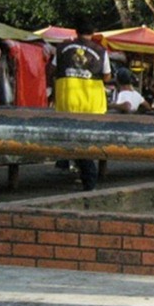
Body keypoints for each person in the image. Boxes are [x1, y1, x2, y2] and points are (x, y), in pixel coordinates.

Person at [53, 20, 112, 191]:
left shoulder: (61, 48)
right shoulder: (101, 50)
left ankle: (74, 168)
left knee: (72, 134)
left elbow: (52, 69)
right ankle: (88, 177)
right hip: (91, 100)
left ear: (76, 31)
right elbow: (107, 76)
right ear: (93, 31)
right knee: (85, 139)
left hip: (68, 97)